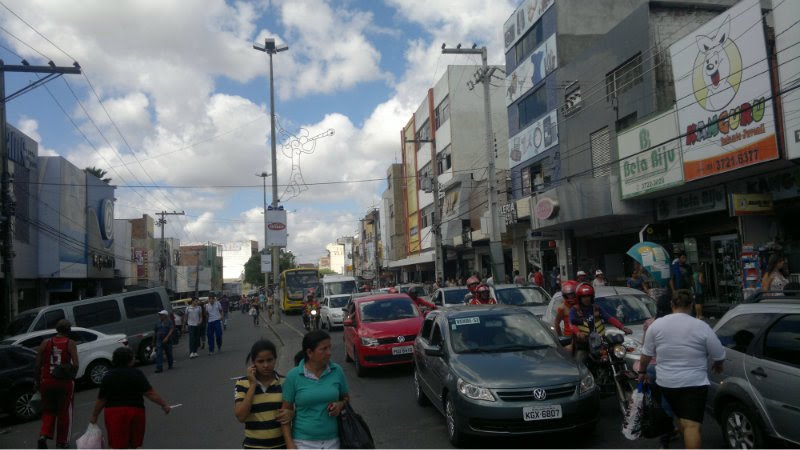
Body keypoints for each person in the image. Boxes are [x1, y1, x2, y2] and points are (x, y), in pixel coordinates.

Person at [639, 289, 726, 449]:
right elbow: (719, 354)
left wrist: (642, 372)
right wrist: (718, 364)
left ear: (672, 304)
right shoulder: (701, 326)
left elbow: (645, 354)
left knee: (680, 417)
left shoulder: (657, 325)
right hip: (694, 383)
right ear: (691, 305)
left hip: (667, 383)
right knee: (693, 426)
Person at [89, 347, 171, 449]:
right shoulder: (136, 374)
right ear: (129, 359)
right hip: (135, 411)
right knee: (134, 443)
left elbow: (101, 399)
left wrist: (94, 416)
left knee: (116, 444)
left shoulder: (108, 376)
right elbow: (150, 393)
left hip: (114, 413)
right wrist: (163, 404)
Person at [281, 331, 350, 449]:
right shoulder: (294, 376)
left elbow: (346, 398)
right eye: (323, 349)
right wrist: (289, 444)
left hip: (333, 441)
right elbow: (285, 413)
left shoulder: (336, 371)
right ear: (309, 352)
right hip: (303, 442)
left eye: (329, 348)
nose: (329, 353)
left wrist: (340, 405)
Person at [234, 339, 293, 449]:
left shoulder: (285, 382)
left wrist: (292, 414)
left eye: (269, 360)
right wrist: (252, 385)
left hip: (281, 445)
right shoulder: (242, 383)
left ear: (275, 359)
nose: (266, 365)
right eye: (260, 361)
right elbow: (241, 416)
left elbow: (294, 409)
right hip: (253, 446)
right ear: (253, 363)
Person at [35, 319, 78, 450]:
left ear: (56, 329)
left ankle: (43, 435)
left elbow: (37, 365)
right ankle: (62, 442)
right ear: (68, 330)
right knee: (64, 412)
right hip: (63, 383)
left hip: (47, 381)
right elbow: (76, 364)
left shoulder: (45, 343)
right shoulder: (70, 343)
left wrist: (37, 381)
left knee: (48, 410)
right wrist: (71, 375)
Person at [569, 283, 632, 364]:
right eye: (583, 297)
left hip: (599, 342)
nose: (586, 299)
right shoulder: (575, 310)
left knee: (614, 356)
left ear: (592, 297)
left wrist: (622, 327)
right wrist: (578, 333)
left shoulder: (596, 308)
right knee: (580, 363)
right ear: (579, 298)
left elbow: (609, 318)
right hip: (584, 344)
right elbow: (571, 324)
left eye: (588, 296)